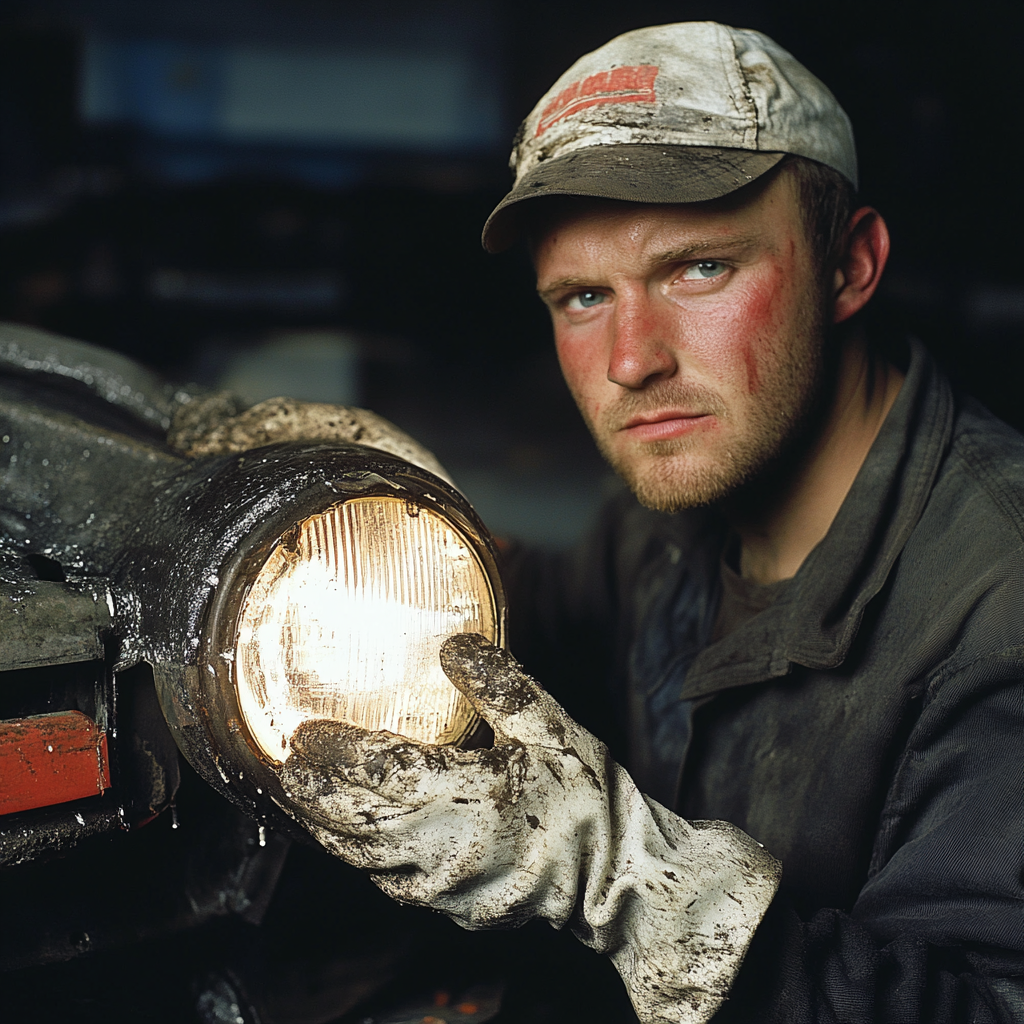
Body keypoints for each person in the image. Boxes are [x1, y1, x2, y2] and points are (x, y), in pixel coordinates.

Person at [280, 22, 1024, 1023]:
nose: (632, 360)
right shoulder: (675, 511)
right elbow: (541, 609)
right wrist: (353, 552)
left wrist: (630, 885)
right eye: (584, 296)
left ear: (850, 265)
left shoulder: (996, 607)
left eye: (698, 270)